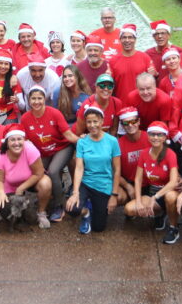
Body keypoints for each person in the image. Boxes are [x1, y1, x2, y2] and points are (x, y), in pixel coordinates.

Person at [19, 86, 79, 221]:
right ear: (28, 100)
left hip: (62, 147)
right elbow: (25, 141)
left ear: (44, 99)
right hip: (42, 152)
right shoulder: (25, 118)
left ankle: (59, 205)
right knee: (36, 173)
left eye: (39, 98)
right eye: (33, 99)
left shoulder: (54, 113)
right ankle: (49, 194)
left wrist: (85, 143)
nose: (36, 102)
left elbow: (68, 135)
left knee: (53, 171)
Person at [65, 106, 121, 234]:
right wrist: (75, 193)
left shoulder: (112, 141)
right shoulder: (82, 142)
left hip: (103, 185)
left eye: (95, 121)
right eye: (89, 122)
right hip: (86, 182)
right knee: (71, 208)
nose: (92, 125)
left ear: (102, 121)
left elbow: (117, 169)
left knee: (98, 227)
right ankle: (86, 212)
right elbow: (79, 168)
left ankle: (92, 206)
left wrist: (114, 195)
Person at [124, 121, 182, 243]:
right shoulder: (144, 153)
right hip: (153, 193)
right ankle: (160, 214)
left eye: (159, 134)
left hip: (168, 192)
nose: (155, 137)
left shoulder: (170, 154)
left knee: (170, 197)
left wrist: (155, 197)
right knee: (129, 209)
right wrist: (139, 201)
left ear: (165, 137)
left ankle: (174, 228)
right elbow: (138, 179)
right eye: (152, 134)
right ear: (148, 136)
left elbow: (173, 182)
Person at [0, 127, 52, 229]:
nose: (16, 143)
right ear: (7, 143)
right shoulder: (0, 155)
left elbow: (39, 172)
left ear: (24, 140)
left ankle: (41, 212)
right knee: (5, 210)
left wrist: (21, 188)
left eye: (19, 139)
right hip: (10, 185)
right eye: (12, 140)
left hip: (31, 181)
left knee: (46, 183)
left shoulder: (30, 150)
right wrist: (1, 192)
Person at [109, 24, 154, 98]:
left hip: (141, 101)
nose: (127, 40)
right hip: (121, 102)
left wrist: (155, 75)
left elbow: (152, 83)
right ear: (120, 40)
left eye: (130, 37)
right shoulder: (113, 61)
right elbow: (110, 86)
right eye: (124, 37)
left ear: (135, 40)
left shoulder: (145, 58)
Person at [116, 107, 149, 206]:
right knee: (118, 197)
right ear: (122, 125)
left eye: (133, 121)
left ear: (139, 121)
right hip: (130, 182)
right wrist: (127, 186)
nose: (130, 125)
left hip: (151, 182)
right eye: (126, 123)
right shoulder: (118, 144)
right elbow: (115, 172)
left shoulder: (150, 138)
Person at [145, 20, 182, 84]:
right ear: (153, 37)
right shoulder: (148, 54)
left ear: (169, 35)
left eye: (163, 33)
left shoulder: (178, 51)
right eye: (157, 34)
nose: (160, 36)